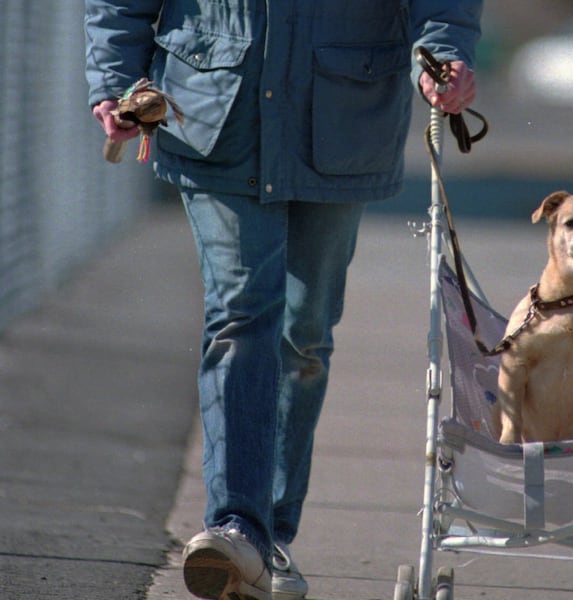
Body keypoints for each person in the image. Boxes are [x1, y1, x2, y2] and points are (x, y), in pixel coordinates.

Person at [85, 2, 482, 599]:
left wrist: (445, 53)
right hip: (213, 107)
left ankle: (267, 537)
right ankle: (237, 527)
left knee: (305, 337)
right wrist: (117, 80)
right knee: (242, 316)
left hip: (340, 114)